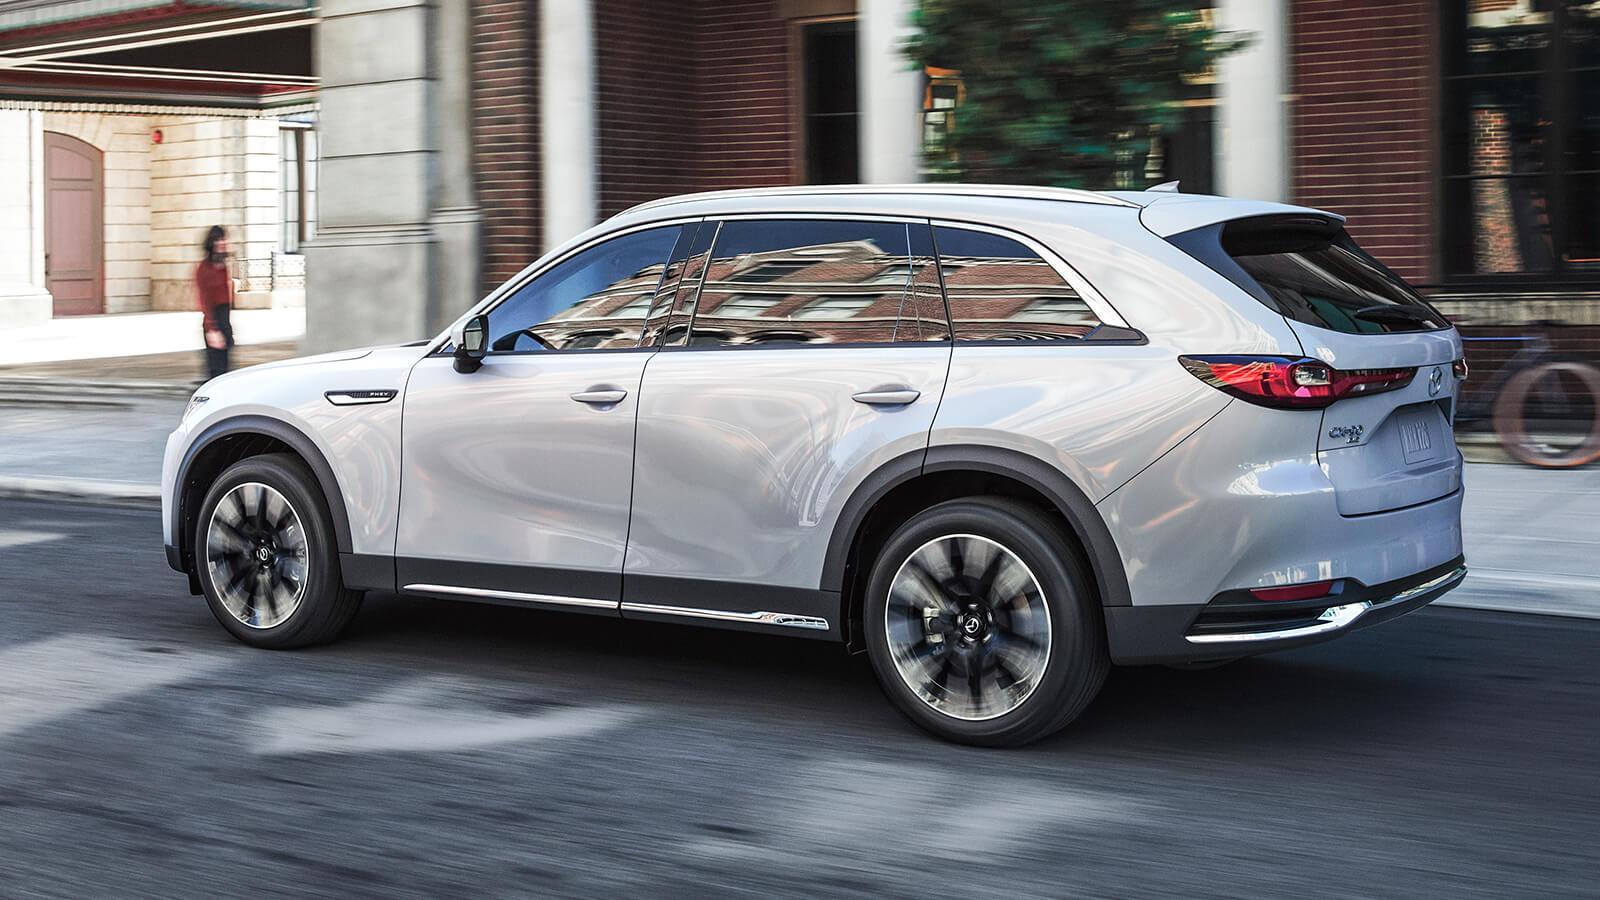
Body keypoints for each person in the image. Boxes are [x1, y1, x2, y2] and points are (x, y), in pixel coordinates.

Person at [197, 225, 235, 379]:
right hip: (213, 320)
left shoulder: (223, 266)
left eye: (223, 239)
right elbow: (205, 301)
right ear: (211, 243)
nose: (221, 242)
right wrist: (212, 329)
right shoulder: (204, 268)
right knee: (216, 371)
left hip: (225, 320)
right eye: (218, 239)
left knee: (225, 369)